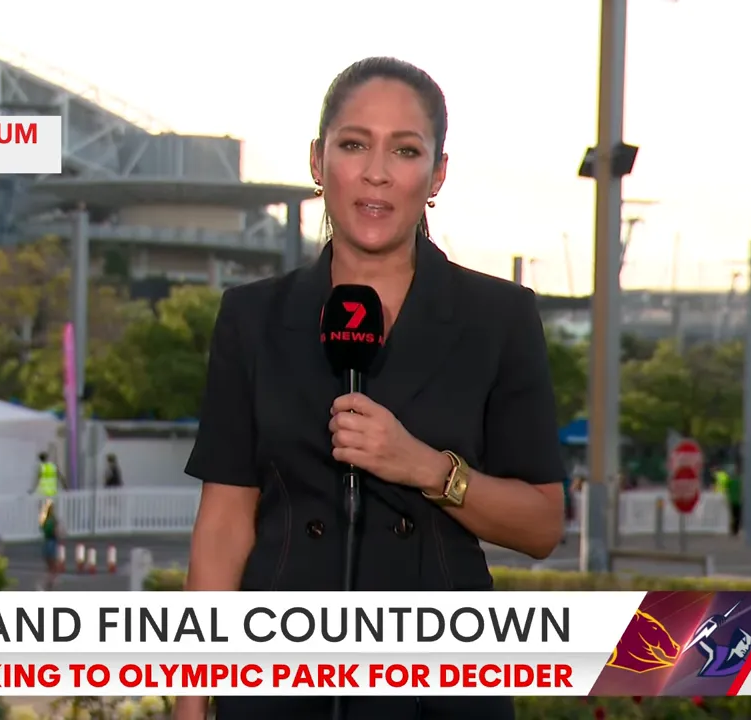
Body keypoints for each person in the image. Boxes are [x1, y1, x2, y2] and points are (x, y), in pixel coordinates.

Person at [176, 57, 565, 720]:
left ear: (437, 174)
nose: (377, 172)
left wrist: (425, 467)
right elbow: (222, 525)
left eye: (405, 150)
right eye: (354, 144)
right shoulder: (252, 317)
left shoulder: (498, 317)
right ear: (317, 162)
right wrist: (191, 707)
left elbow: (541, 524)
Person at [38, 498, 61, 591]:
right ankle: (51, 580)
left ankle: (49, 580)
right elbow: (56, 531)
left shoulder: (44, 519)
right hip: (51, 541)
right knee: (53, 563)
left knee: (48, 563)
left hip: (46, 541)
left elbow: (42, 528)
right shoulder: (53, 519)